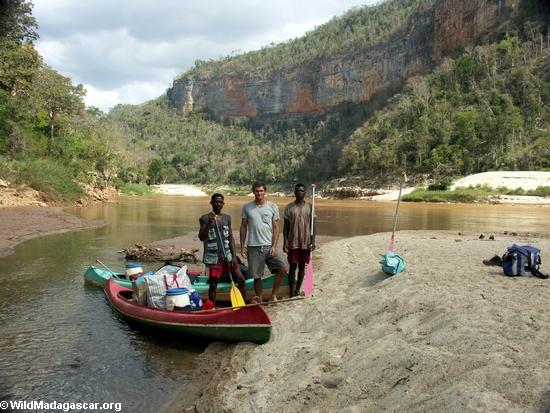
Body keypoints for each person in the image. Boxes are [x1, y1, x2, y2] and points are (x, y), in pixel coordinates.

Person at [240, 182, 288, 302]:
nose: (259, 193)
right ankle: (260, 299)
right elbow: (243, 227)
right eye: (257, 191)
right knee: (257, 276)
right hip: (253, 246)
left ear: (265, 191)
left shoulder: (272, 206)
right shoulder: (247, 207)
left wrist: (274, 246)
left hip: (268, 246)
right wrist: (242, 246)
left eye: (261, 191)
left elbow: (276, 228)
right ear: (253, 192)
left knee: (282, 269)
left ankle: (273, 295)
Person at [198, 193, 246, 305]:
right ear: (211, 203)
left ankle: (243, 306)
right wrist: (209, 224)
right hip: (213, 256)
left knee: (241, 279)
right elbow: (201, 237)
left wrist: (234, 256)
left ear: (223, 204)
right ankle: (212, 308)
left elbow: (230, 238)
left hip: (228, 255)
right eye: (216, 202)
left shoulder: (227, 218)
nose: (218, 204)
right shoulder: (204, 218)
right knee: (213, 284)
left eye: (220, 202)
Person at [283, 183, 315, 297]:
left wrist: (313, 241)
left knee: (302, 266)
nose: (299, 192)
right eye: (297, 191)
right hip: (293, 242)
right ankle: (291, 292)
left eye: (301, 191)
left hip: (305, 242)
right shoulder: (289, 207)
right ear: (294, 192)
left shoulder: (310, 207)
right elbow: (285, 226)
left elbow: (313, 225)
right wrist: (284, 242)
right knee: (292, 266)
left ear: (305, 193)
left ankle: (297, 290)